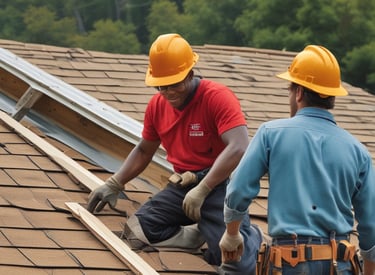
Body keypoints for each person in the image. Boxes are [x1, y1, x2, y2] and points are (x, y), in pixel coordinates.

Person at [87, 33, 262, 274]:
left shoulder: (216, 98)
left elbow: (239, 146)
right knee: (137, 231)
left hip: (221, 186)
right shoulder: (156, 107)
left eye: (175, 84)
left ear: (190, 73)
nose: (168, 92)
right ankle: (196, 234)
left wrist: (204, 188)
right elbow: (143, 149)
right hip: (183, 186)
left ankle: (250, 237)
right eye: (161, 85)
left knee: (231, 262)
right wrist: (115, 182)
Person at [219, 45, 375, 275]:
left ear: (299, 92)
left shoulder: (271, 133)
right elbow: (371, 226)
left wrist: (232, 233)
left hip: (288, 264)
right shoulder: (358, 151)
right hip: (339, 264)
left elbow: (239, 189)